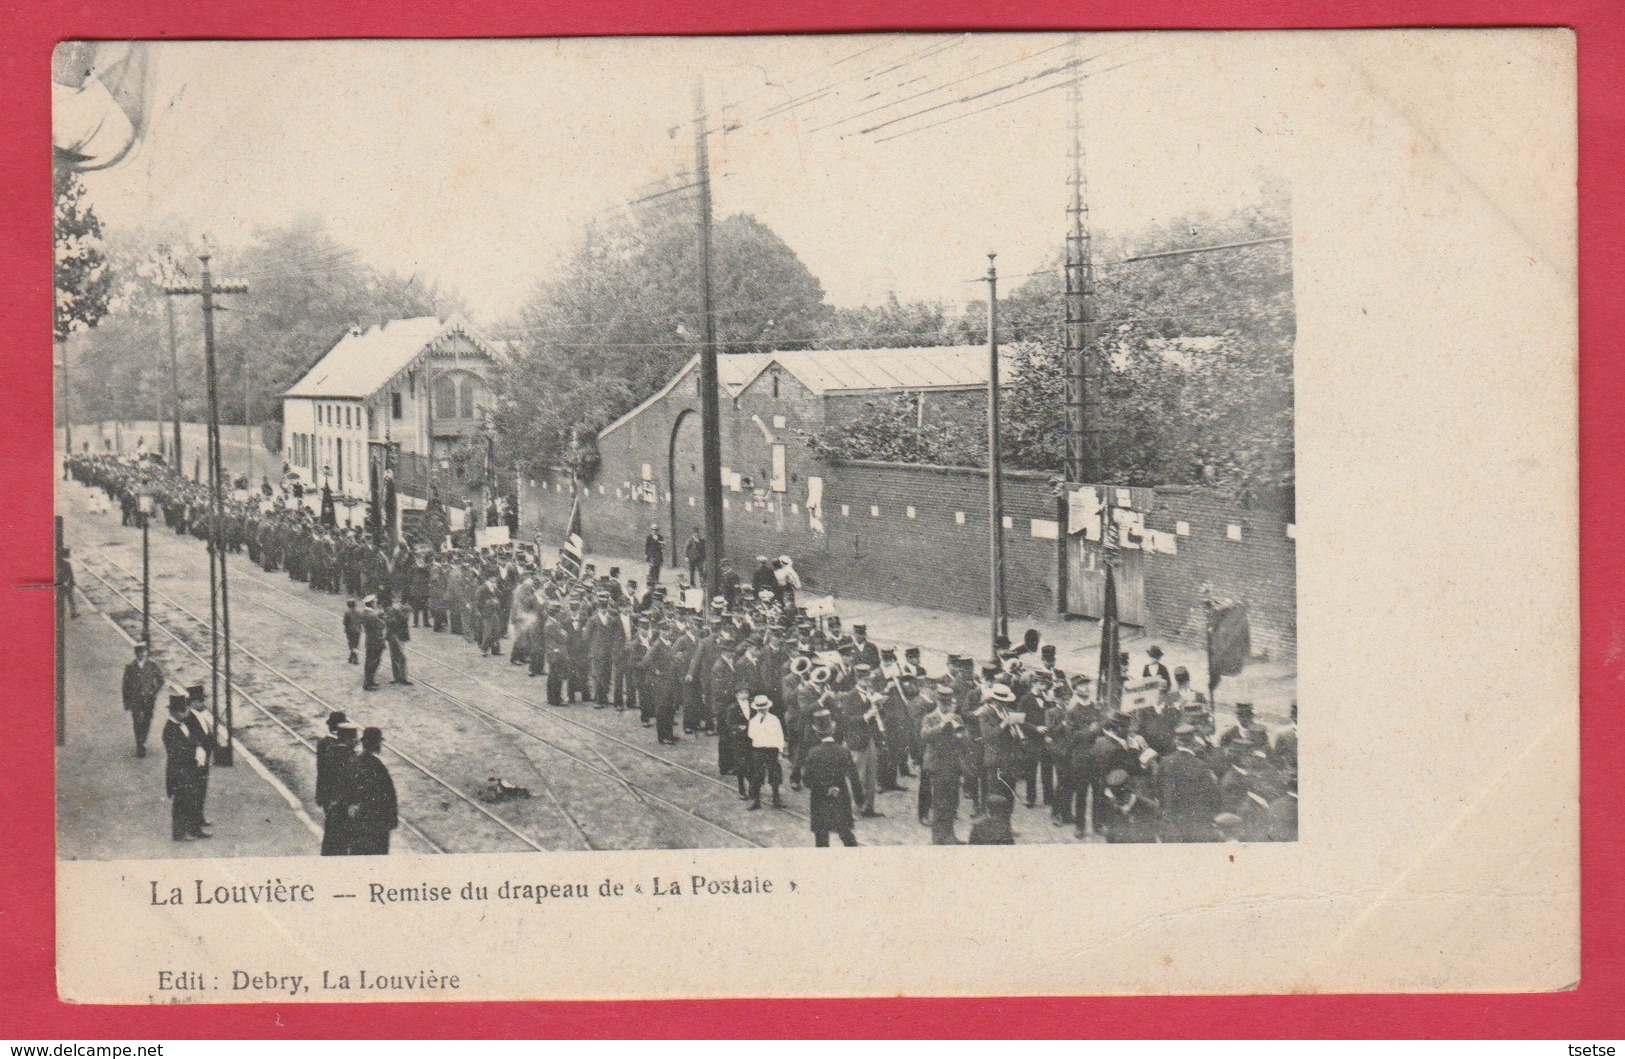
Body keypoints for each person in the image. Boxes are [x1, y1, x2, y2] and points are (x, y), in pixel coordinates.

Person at [803, 712, 860, 847]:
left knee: (821, 838)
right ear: (833, 730)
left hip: (820, 800)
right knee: (846, 834)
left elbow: (806, 780)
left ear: (817, 732)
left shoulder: (813, 753)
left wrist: (825, 788)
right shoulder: (843, 751)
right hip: (841, 798)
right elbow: (854, 778)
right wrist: (859, 799)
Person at [920, 685, 965, 844]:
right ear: (938, 702)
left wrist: (960, 734)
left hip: (952, 764)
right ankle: (938, 837)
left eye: (949, 703)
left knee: (953, 801)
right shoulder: (930, 718)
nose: (947, 705)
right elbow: (925, 736)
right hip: (937, 765)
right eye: (944, 702)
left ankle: (950, 834)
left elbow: (963, 739)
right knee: (939, 802)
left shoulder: (957, 718)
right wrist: (942, 724)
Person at [162, 694, 209, 841]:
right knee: (181, 803)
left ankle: (195, 830)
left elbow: (194, 738)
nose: (186, 713)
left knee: (193, 800)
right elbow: (177, 751)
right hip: (179, 772)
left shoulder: (184, 724)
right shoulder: (169, 729)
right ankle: (179, 833)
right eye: (183, 711)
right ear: (174, 712)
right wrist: (195, 751)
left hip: (190, 770)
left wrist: (199, 747)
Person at [347, 727, 398, 855]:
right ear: (376, 744)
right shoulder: (377, 765)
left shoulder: (354, 761)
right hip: (377, 822)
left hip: (359, 821)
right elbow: (388, 794)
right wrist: (392, 819)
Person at [315, 716, 358, 856]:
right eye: (354, 737)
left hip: (330, 800)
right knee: (340, 841)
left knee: (331, 839)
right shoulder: (347, 756)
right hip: (340, 804)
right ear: (349, 739)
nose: (357, 740)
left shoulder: (329, 748)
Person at [120, 642, 164, 758]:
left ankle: (143, 739)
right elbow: (125, 686)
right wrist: (126, 702)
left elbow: (160, 680)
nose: (141, 654)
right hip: (135, 700)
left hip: (148, 699)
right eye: (139, 652)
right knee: (137, 721)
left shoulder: (152, 666)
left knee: (147, 721)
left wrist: (153, 692)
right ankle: (140, 744)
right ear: (136, 653)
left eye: (143, 652)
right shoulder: (130, 667)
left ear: (145, 653)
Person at [745, 694, 786, 810]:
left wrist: (780, 752)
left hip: (772, 750)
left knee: (775, 774)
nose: (763, 711)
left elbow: (780, 736)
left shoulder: (774, 719)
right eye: (760, 709)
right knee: (757, 775)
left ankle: (776, 799)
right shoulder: (753, 721)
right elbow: (751, 735)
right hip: (759, 750)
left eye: (764, 708)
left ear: (768, 707)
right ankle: (756, 801)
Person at [360, 596, 387, 691]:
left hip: (369, 640)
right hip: (376, 641)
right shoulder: (372, 615)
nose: (376, 603)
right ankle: (368, 683)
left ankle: (369, 681)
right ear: (371, 603)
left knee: (369, 662)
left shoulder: (363, 613)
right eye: (374, 602)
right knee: (374, 662)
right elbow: (382, 625)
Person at [385, 599, 413, 685]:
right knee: (394, 656)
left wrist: (397, 611)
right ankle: (396, 677)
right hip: (392, 635)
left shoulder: (405, 609)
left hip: (400, 635)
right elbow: (387, 621)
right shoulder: (389, 609)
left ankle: (404, 678)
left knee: (402, 656)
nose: (395, 601)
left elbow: (404, 619)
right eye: (394, 599)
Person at [58, 545, 77, 619]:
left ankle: (61, 615)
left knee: (61, 600)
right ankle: (73, 613)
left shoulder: (58, 564)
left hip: (61, 584)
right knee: (70, 599)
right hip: (68, 584)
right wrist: (72, 583)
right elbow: (70, 575)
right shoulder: (67, 564)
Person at [342, 598, 362, 665]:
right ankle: (351, 658)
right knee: (355, 645)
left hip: (350, 631)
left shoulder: (347, 613)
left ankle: (355, 659)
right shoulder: (358, 612)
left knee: (351, 644)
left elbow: (344, 622)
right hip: (358, 630)